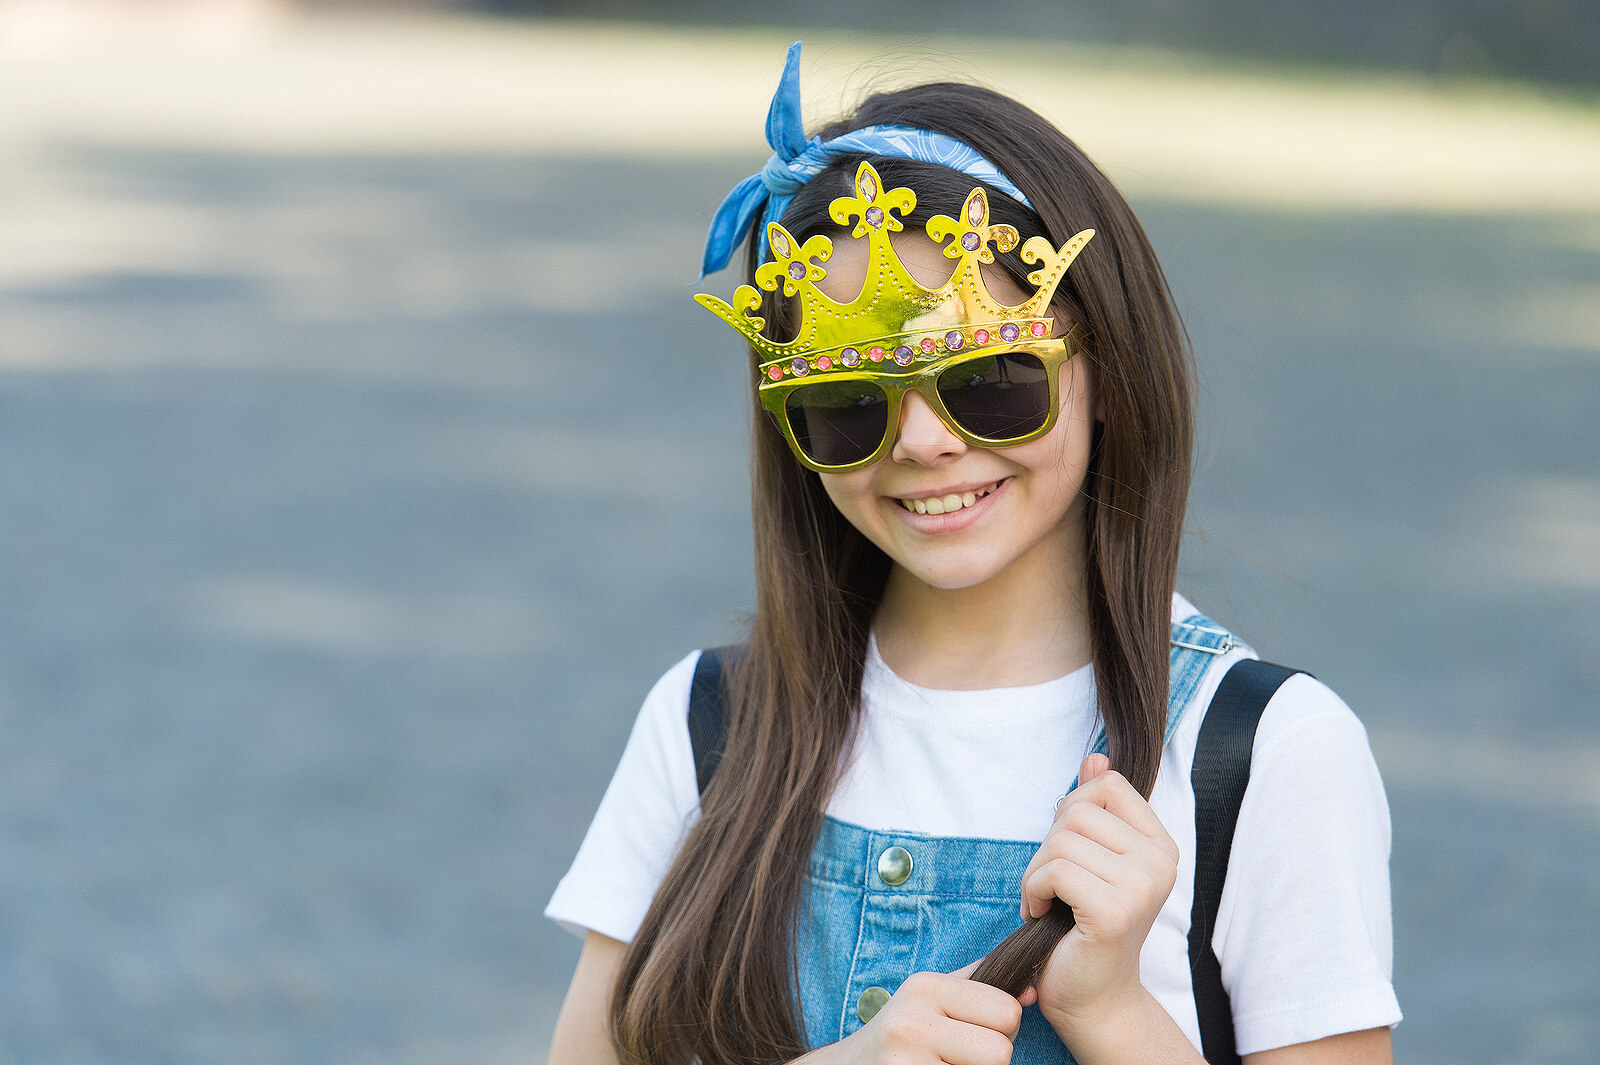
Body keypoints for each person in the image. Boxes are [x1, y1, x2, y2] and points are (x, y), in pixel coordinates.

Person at [545, 42, 1400, 1065]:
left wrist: (1109, 1011)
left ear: (1106, 360)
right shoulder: (710, 726)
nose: (923, 442)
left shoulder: (1263, 753)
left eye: (989, 379)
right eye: (844, 401)